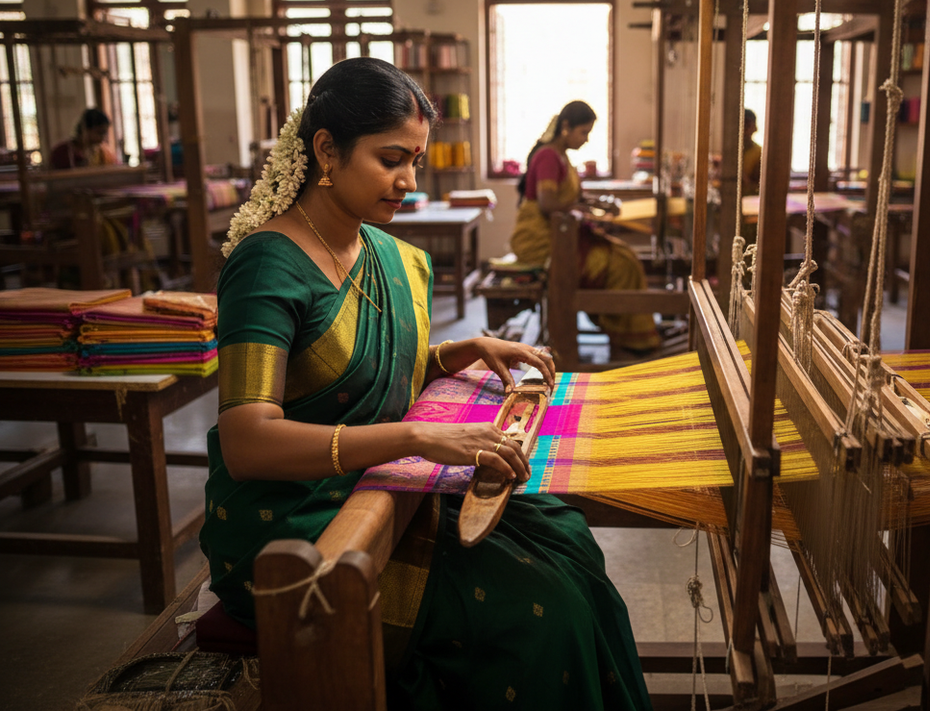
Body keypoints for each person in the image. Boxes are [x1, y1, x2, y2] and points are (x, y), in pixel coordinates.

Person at [201, 59, 652, 710]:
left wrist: (456, 351)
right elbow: (248, 441)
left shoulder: (381, 251)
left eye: (415, 159)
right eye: (391, 160)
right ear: (326, 149)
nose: (409, 182)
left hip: (378, 492)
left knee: (565, 540)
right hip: (298, 525)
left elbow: (358, 372)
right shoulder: (267, 266)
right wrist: (417, 436)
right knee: (542, 609)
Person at [510, 101, 661, 354]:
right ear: (565, 127)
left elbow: (573, 200)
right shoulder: (548, 156)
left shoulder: (561, 157)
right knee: (620, 265)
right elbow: (548, 204)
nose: (586, 139)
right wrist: (585, 210)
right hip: (542, 243)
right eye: (584, 132)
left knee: (625, 256)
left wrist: (598, 204)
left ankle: (627, 334)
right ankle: (628, 338)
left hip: (561, 237)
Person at [50, 108, 119, 169]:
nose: (104, 137)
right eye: (100, 132)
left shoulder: (104, 153)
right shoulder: (62, 153)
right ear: (85, 130)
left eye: (105, 133)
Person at [740, 108, 761, 196]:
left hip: (750, 200)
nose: (745, 130)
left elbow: (758, 187)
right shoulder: (729, 152)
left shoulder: (758, 153)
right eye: (743, 125)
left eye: (748, 125)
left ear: (754, 128)